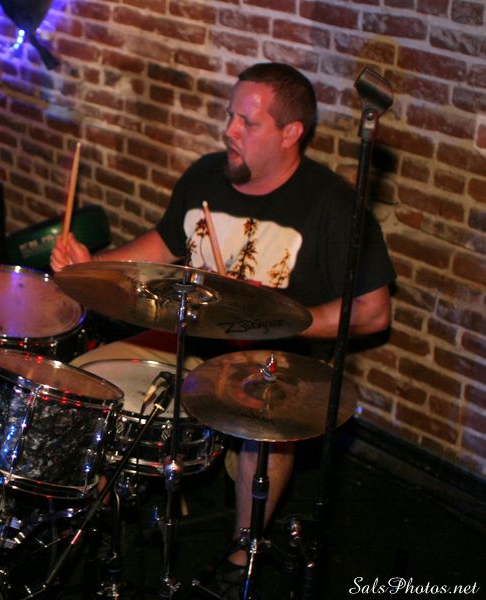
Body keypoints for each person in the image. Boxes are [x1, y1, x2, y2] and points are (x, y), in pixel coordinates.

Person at [51, 63, 395, 591]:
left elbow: (372, 310)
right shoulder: (206, 175)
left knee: (268, 428)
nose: (229, 130)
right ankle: (92, 516)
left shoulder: (332, 205)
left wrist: (282, 321)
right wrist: (91, 267)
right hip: (186, 338)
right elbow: (161, 246)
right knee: (84, 384)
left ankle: (241, 556)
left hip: (270, 358)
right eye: (230, 115)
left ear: (291, 133)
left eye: (247, 122)